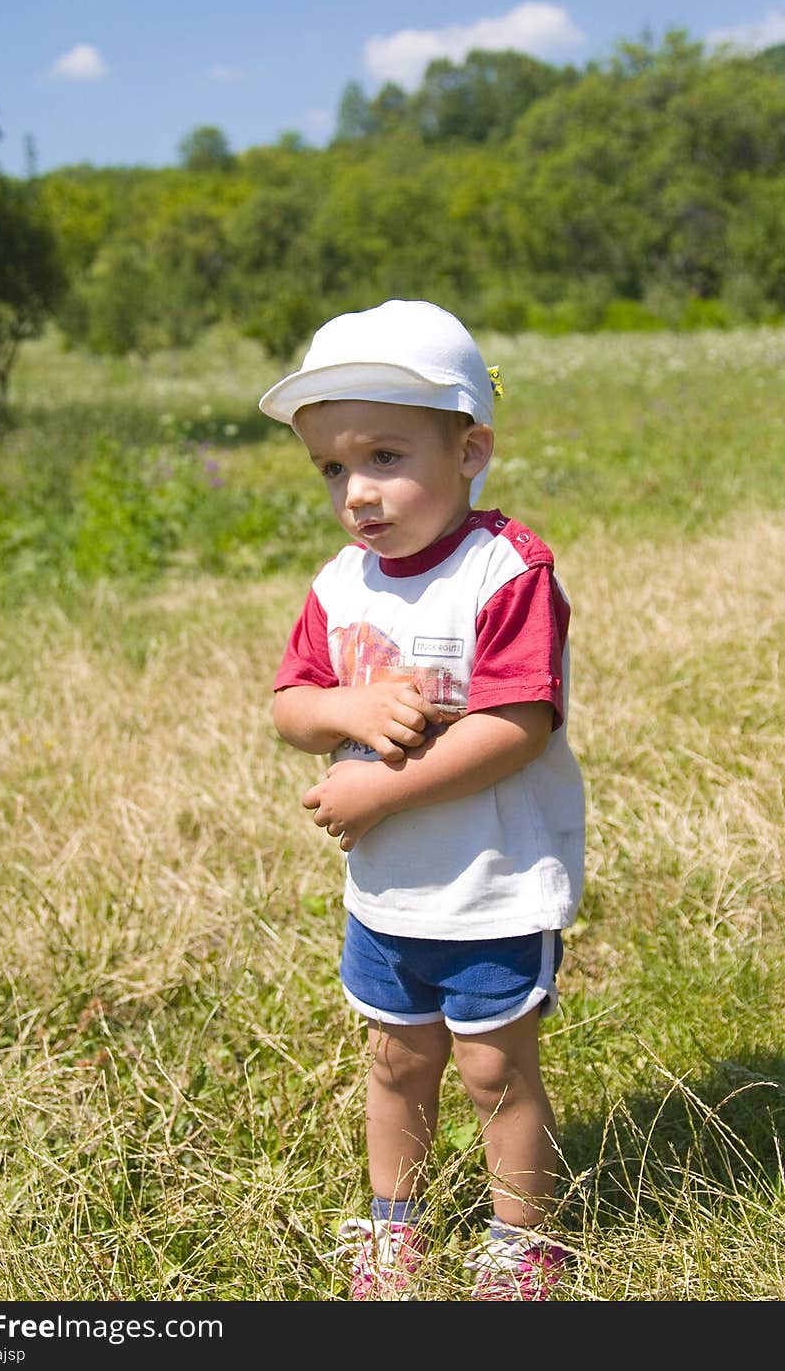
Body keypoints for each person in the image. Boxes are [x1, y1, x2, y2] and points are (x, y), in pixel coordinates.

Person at [259, 299, 585, 1301]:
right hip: (388, 893)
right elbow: (289, 704)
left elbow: (515, 724)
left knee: (493, 1070)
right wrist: (343, 707)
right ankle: (392, 1226)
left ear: (470, 446)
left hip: (491, 882)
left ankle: (520, 1237)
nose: (356, 492)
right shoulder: (340, 584)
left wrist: (375, 787)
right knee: (395, 1060)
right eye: (330, 467)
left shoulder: (504, 570)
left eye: (385, 456)